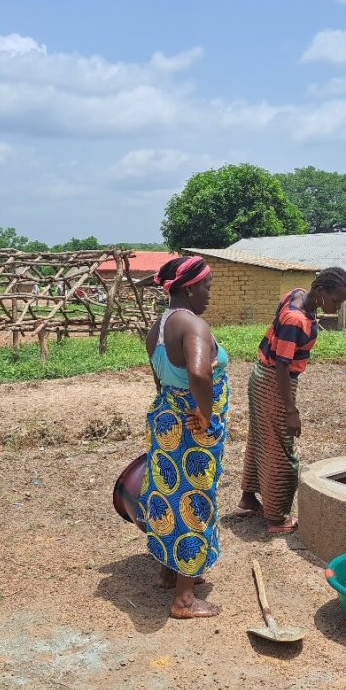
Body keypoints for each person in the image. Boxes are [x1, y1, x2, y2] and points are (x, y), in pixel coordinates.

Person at [140, 256, 229, 619]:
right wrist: (205, 414)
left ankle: (169, 571)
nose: (210, 294)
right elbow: (198, 373)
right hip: (193, 430)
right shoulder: (193, 325)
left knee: (168, 492)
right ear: (190, 288)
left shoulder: (159, 327)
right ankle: (185, 600)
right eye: (207, 287)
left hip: (168, 423)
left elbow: (160, 379)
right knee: (194, 499)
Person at [236, 268, 346, 533]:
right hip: (275, 382)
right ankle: (277, 518)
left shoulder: (296, 294)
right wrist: (291, 410)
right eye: (336, 300)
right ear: (320, 292)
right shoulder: (295, 320)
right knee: (283, 450)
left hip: (261, 376)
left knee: (261, 438)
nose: (338, 306)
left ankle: (248, 499)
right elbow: (282, 365)